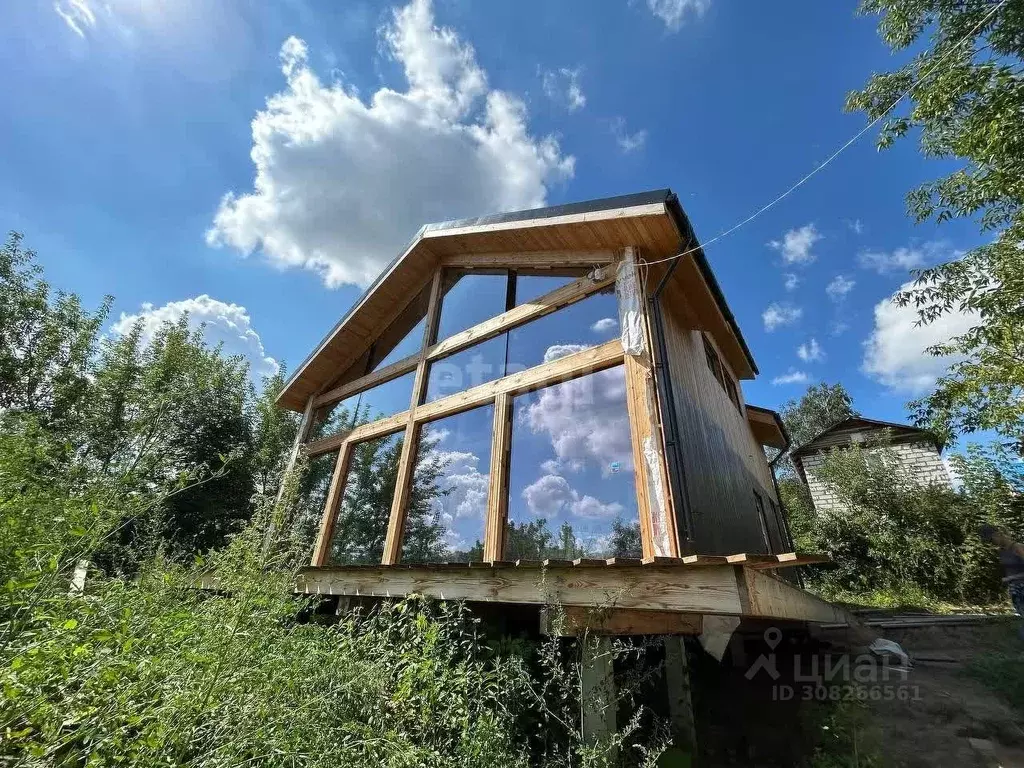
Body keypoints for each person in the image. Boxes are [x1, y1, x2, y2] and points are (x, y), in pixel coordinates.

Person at [980, 524, 1024, 631]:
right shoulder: (1001, 551)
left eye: (992, 539)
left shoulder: (1017, 547)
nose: (992, 543)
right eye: (989, 541)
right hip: (1014, 589)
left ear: (998, 534)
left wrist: (1013, 577)